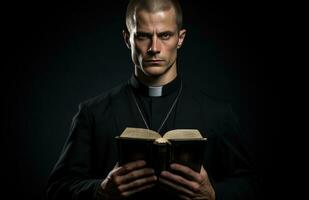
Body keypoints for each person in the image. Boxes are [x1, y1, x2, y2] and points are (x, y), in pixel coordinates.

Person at [46, 0, 261, 199]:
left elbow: (251, 185)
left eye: (165, 35)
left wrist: (214, 195)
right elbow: (56, 188)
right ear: (127, 39)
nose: (154, 48)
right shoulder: (92, 113)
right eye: (143, 36)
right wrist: (101, 191)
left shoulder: (218, 114)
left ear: (181, 38)